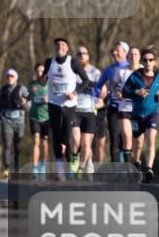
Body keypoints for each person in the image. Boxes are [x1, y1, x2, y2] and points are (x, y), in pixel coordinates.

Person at [42, 38, 91, 179]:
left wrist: (74, 92)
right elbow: (44, 80)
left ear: (67, 48)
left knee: (66, 135)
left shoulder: (73, 62)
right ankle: (60, 169)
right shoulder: (49, 62)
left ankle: (68, 158)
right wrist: (41, 82)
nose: (60, 47)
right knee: (56, 135)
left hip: (69, 104)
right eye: (57, 44)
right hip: (53, 103)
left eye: (63, 45)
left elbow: (86, 81)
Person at [122, 47, 159, 184]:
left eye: (151, 60)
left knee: (151, 139)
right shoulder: (135, 76)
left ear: (155, 62)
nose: (148, 62)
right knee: (138, 143)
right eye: (145, 60)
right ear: (142, 62)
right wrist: (136, 91)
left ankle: (148, 169)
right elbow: (125, 91)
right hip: (137, 114)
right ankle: (136, 161)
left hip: (152, 113)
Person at [66, 46, 101, 176]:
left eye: (84, 53)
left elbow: (101, 89)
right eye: (79, 53)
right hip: (74, 109)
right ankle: (74, 156)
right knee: (75, 138)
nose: (81, 56)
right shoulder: (69, 70)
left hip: (89, 110)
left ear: (88, 56)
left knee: (86, 143)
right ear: (75, 56)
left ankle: (82, 166)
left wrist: (100, 95)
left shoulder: (94, 72)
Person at [95, 41, 129, 163]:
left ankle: (127, 166)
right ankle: (116, 170)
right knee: (114, 136)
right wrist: (99, 94)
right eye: (113, 50)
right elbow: (98, 86)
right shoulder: (109, 69)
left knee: (126, 138)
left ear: (125, 52)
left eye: (117, 50)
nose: (114, 52)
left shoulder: (131, 67)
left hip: (129, 108)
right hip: (113, 106)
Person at [0, 69, 29, 177]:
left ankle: (17, 166)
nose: (9, 78)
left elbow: (28, 106)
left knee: (17, 146)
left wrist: (24, 104)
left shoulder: (22, 89)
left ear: (16, 78)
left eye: (12, 76)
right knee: (7, 144)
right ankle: (7, 169)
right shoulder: (2, 90)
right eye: (8, 76)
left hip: (19, 121)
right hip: (7, 120)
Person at [112, 48, 142, 167]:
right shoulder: (121, 71)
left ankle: (137, 160)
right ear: (127, 57)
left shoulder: (144, 70)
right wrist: (117, 93)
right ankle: (129, 169)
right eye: (131, 54)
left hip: (139, 109)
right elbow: (114, 86)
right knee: (127, 138)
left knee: (139, 142)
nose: (133, 56)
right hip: (124, 108)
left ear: (139, 57)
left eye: (136, 54)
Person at [27, 63, 50, 176]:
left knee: (44, 143)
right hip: (34, 116)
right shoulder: (31, 85)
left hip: (47, 117)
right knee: (36, 141)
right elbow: (26, 97)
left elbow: (57, 98)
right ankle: (35, 168)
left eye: (42, 71)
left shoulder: (50, 84)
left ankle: (43, 165)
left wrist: (49, 99)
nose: (39, 73)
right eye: (37, 71)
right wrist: (23, 101)